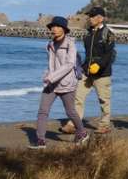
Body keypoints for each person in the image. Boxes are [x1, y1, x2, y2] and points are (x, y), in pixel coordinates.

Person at [29, 16, 89, 149]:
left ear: (64, 29)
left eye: (57, 26)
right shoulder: (50, 44)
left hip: (66, 83)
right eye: (52, 27)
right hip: (51, 84)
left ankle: (82, 133)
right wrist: (47, 75)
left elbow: (69, 64)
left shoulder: (70, 44)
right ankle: (40, 140)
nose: (54, 29)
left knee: (70, 112)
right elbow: (52, 64)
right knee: (43, 111)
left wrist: (52, 76)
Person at [60, 6, 115, 136]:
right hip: (86, 72)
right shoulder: (88, 33)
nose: (90, 18)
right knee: (78, 97)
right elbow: (87, 53)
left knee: (104, 100)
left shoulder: (108, 34)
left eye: (92, 16)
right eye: (89, 16)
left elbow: (109, 55)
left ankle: (105, 125)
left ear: (100, 18)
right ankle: (73, 124)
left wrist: (99, 65)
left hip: (102, 73)